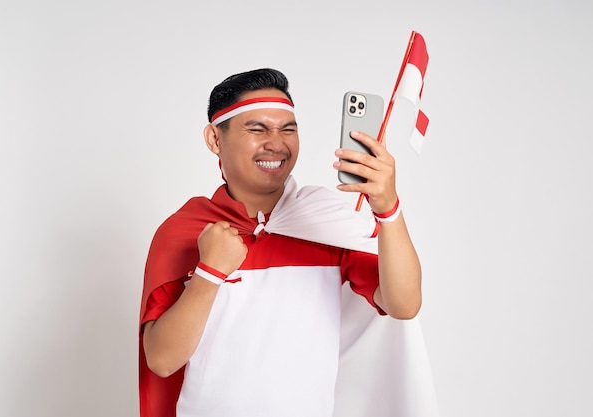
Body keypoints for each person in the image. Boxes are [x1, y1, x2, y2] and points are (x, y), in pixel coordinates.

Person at [138, 68, 428, 417]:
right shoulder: (184, 231)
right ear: (215, 139)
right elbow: (162, 360)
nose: (276, 143)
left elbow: (404, 304)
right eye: (257, 128)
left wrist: (388, 209)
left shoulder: (325, 224)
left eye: (288, 129)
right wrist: (209, 272)